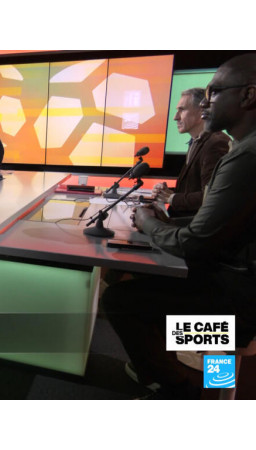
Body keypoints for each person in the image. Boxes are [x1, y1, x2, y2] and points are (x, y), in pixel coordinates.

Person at [102, 54, 256, 399]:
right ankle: (186, 376)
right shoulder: (241, 148)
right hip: (235, 282)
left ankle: (180, 388)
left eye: (214, 93)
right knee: (145, 284)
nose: (206, 103)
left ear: (248, 95)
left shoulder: (245, 156)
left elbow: (194, 243)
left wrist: (148, 223)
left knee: (121, 302)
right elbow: (223, 219)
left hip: (238, 302)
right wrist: (166, 223)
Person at [153, 88, 230, 217]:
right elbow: (194, 188)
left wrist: (172, 198)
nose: (175, 117)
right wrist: (166, 193)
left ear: (201, 112)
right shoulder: (197, 141)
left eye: (182, 110)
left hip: (195, 224)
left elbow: (211, 196)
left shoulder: (215, 144)